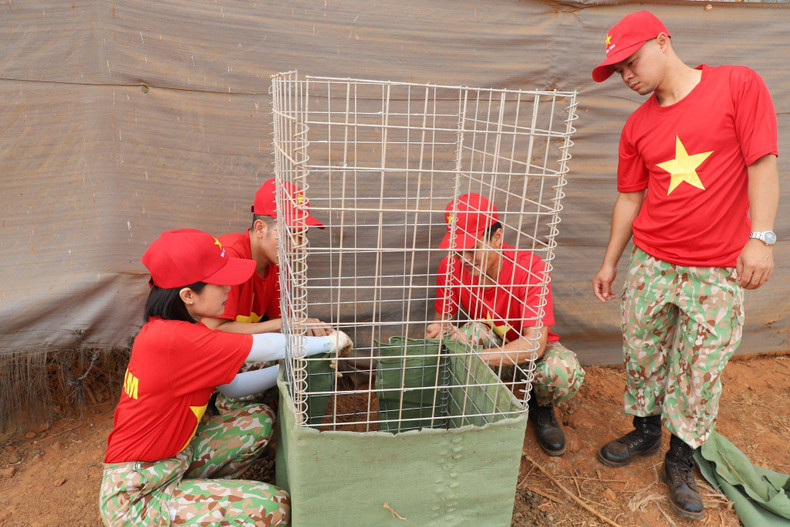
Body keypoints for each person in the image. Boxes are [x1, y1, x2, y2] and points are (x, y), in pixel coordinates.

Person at [591, 11, 778, 519]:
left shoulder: (737, 85)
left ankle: (681, 456)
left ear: (662, 41)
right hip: (651, 262)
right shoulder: (637, 125)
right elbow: (629, 199)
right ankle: (647, 431)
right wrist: (610, 263)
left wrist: (760, 238)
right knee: (643, 350)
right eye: (617, 71)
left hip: (715, 268)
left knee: (700, 368)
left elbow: (761, 161)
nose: (627, 76)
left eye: (631, 62)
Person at [99, 228, 350, 526]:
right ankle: (181, 512)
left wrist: (287, 370)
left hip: (174, 460)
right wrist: (330, 343)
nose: (230, 290)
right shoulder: (173, 339)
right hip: (138, 494)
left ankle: (196, 503)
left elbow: (235, 387)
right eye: (220, 284)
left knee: (257, 421)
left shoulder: (176, 332)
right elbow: (264, 347)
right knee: (272, 507)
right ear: (188, 295)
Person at [426, 193, 585, 456]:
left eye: (472, 249)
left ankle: (540, 406)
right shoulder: (450, 268)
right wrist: (439, 332)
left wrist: (476, 356)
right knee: (470, 332)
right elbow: (441, 321)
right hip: (491, 346)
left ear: (497, 238)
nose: (464, 258)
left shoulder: (530, 267)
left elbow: (535, 345)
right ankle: (481, 401)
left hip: (528, 353)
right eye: (457, 250)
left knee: (561, 370)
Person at [201, 178, 332, 412]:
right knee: (286, 353)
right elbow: (213, 333)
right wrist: (288, 324)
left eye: (302, 235)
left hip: (232, 355)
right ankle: (224, 408)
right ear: (260, 228)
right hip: (204, 359)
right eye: (291, 234)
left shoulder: (276, 264)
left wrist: (310, 328)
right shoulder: (230, 256)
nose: (299, 245)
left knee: (297, 350)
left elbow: (280, 325)